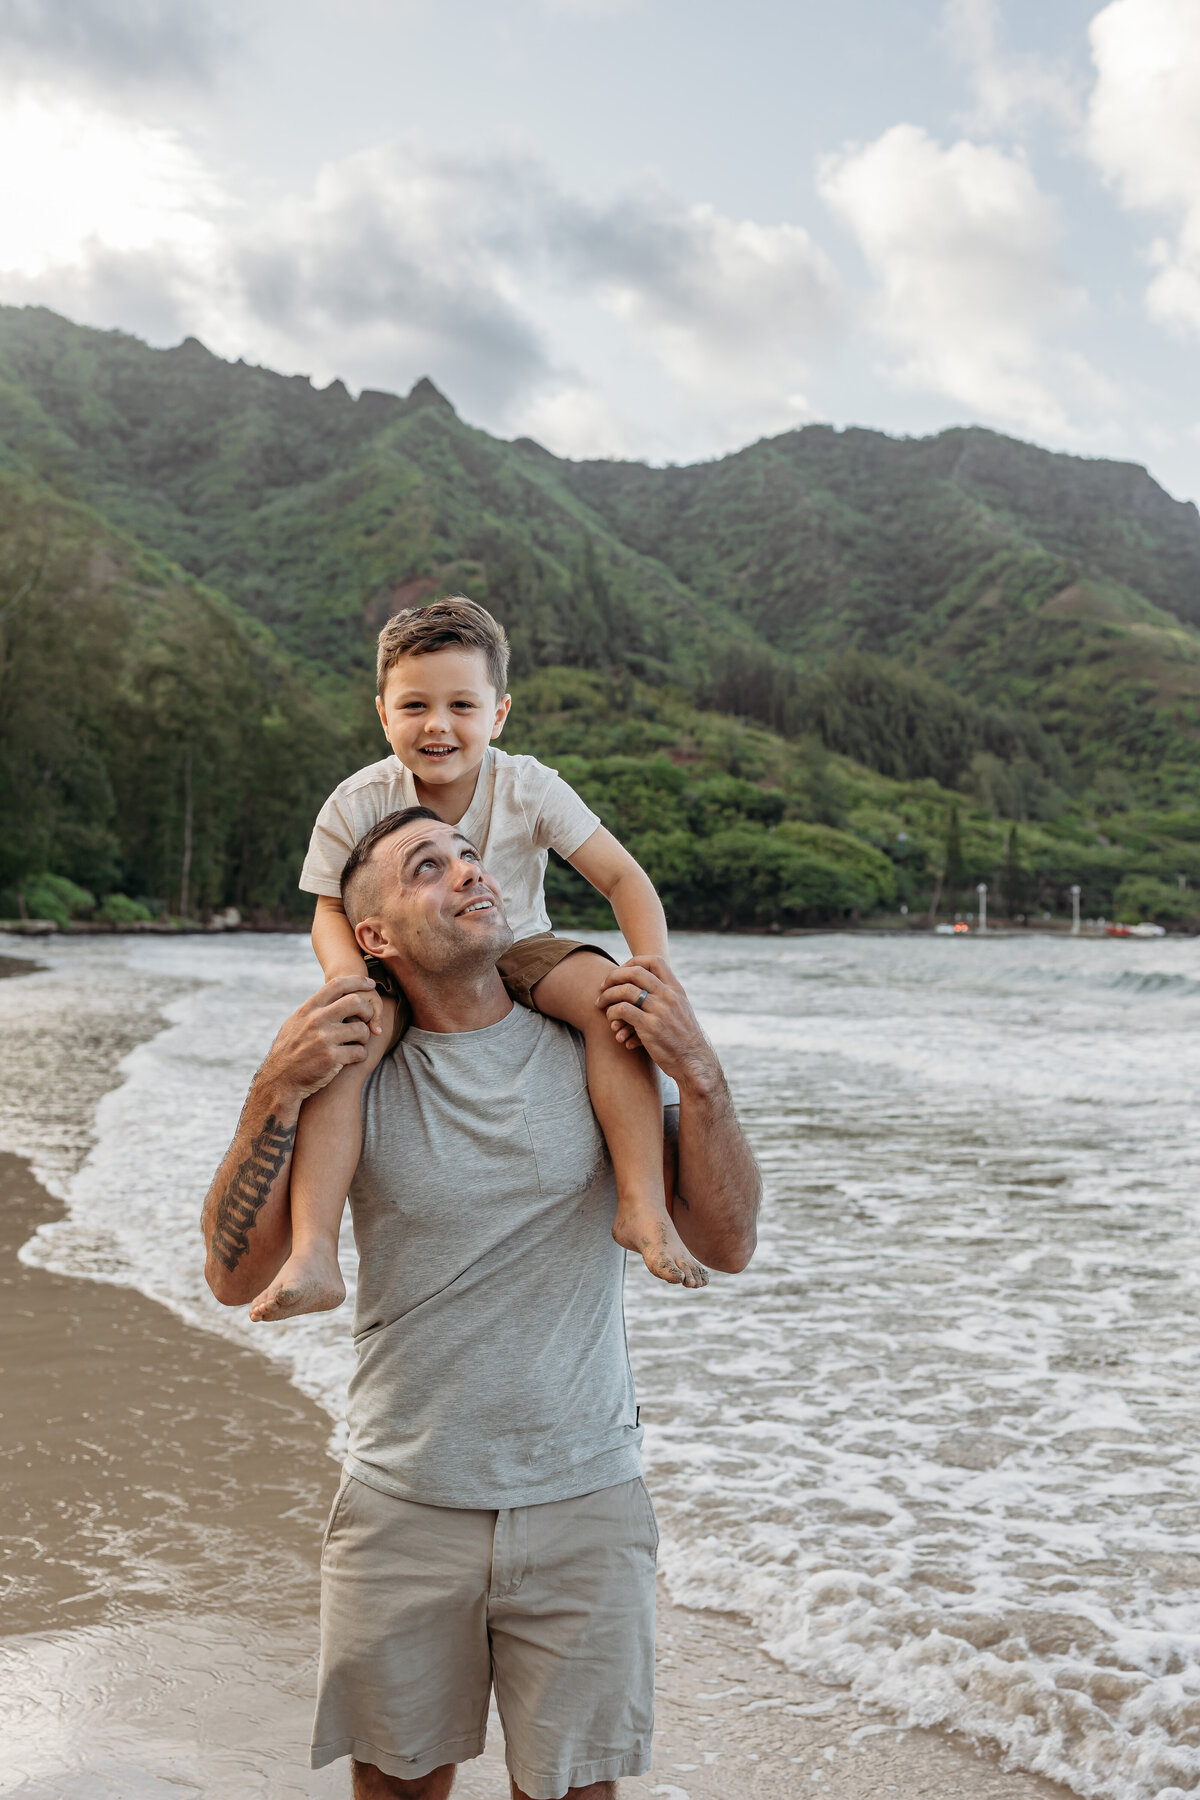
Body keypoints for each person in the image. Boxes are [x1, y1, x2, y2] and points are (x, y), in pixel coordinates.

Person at [201, 807, 760, 1800]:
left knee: (574, 1793)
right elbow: (235, 1278)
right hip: (403, 1505)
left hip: (586, 1498)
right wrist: (270, 1094)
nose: (467, 872)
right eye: (427, 868)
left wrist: (702, 1075)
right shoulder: (351, 1073)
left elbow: (727, 1244)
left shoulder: (600, 1050)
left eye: (469, 854)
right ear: (371, 936)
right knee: (401, 1790)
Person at [258, 596, 704, 1321]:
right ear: (383, 714)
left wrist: (652, 970)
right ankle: (313, 1252)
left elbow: (625, 879)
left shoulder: (527, 785)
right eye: (415, 706)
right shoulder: (357, 802)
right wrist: (350, 983)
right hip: (408, 958)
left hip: (518, 942)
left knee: (607, 1001)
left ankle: (643, 1209)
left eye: (462, 704)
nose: (438, 725)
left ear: (497, 714)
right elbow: (331, 909)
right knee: (346, 1049)